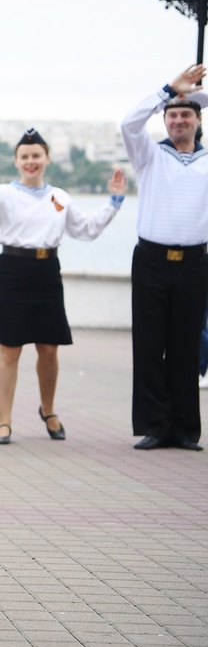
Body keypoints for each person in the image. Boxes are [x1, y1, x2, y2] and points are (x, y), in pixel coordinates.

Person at [0, 128, 125, 444]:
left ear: (47, 158)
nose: (31, 161)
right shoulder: (3, 194)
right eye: (25, 156)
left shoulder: (59, 197)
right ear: (17, 161)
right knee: (10, 348)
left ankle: (48, 411)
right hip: (13, 270)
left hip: (47, 271)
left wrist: (115, 202)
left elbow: (87, 229)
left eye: (36, 155)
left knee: (49, 348)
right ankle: (4, 421)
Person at [121, 64, 208, 451]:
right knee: (150, 343)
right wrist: (166, 90)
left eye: (185, 114)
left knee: (187, 345)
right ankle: (154, 426)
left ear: (197, 120)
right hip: (152, 261)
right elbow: (128, 123)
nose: (178, 120)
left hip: (194, 262)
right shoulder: (149, 156)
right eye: (172, 114)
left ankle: (185, 429)